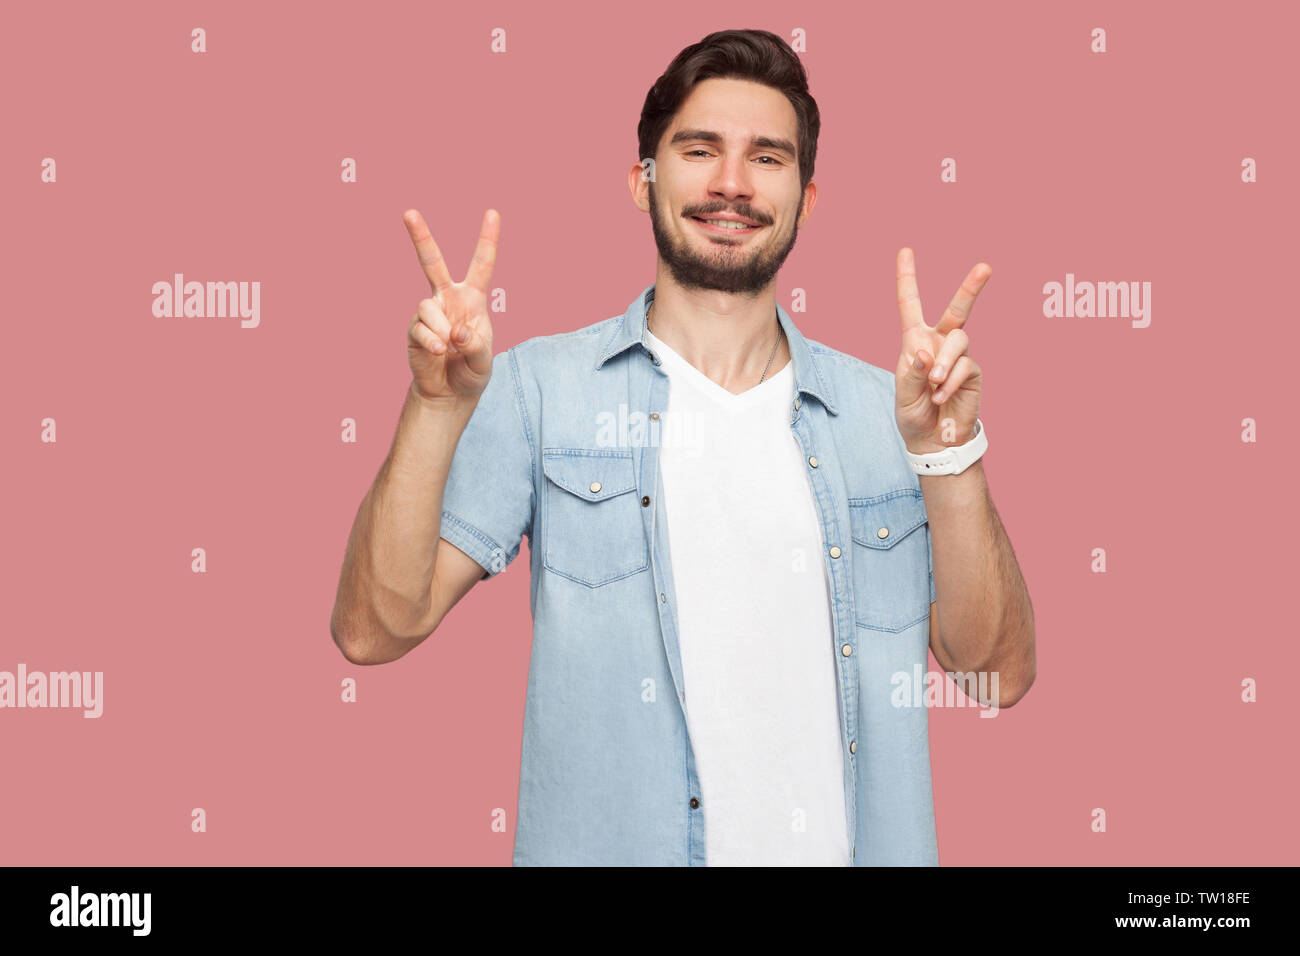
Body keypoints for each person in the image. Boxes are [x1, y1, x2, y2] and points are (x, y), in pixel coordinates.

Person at [330, 28, 1035, 866]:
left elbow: (998, 674)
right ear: (642, 180)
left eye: (767, 158)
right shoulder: (540, 391)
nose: (731, 184)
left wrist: (947, 451)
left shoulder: (893, 412)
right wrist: (436, 406)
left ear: (807, 199)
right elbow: (374, 631)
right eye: (700, 150)